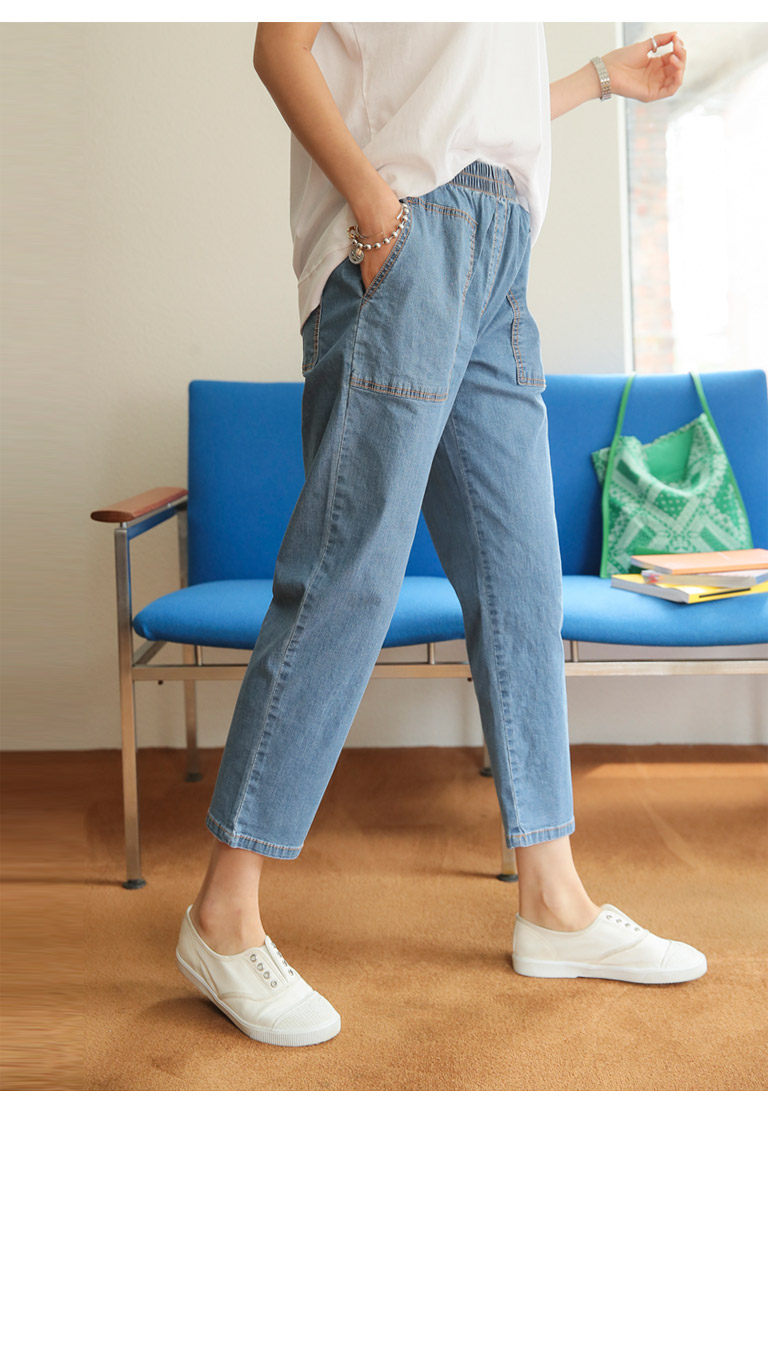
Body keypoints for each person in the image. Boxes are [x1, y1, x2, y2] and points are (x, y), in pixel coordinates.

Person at [175, 22, 706, 1048]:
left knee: (522, 581)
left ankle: (554, 902)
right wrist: (378, 212)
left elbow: (467, 105)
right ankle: (222, 915)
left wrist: (603, 80)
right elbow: (280, 48)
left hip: (501, 256)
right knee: (350, 575)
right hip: (410, 237)